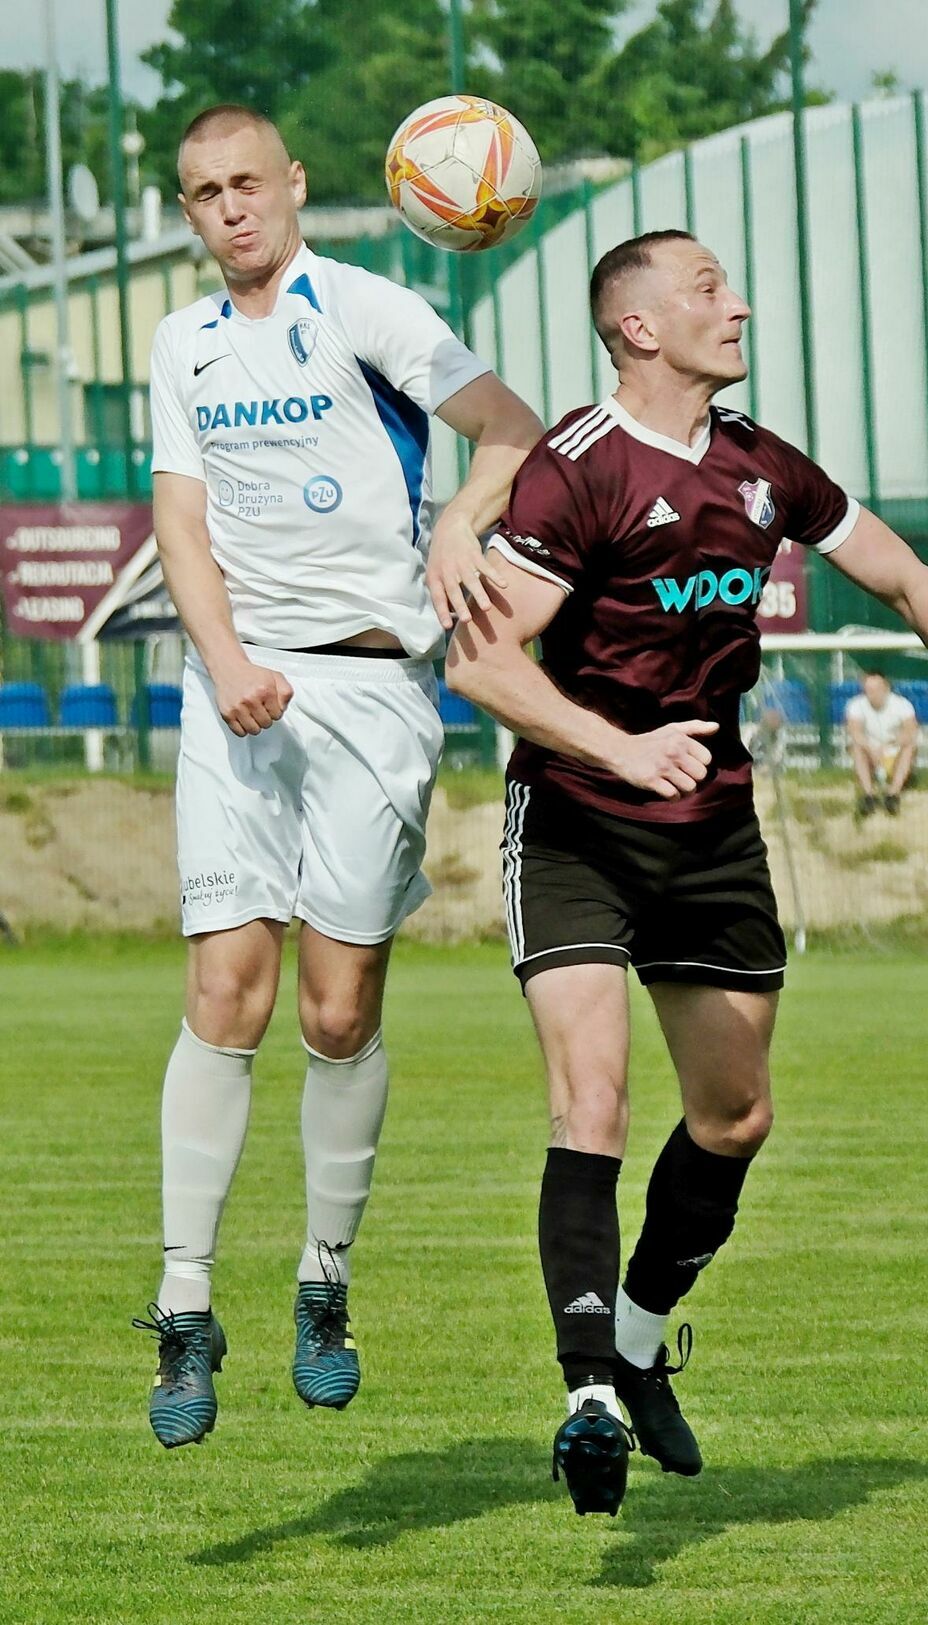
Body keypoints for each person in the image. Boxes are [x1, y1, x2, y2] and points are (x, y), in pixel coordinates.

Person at [443, 229, 928, 1516]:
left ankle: (638, 1335)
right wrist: (621, 750)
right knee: (593, 1100)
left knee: (736, 1117)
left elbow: (906, 578)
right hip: (577, 816)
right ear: (635, 327)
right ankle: (586, 1396)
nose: (736, 307)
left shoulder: (760, 464)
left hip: (711, 826)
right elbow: (481, 665)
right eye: (706, 290)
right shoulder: (576, 468)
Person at [133, 104, 541, 1449]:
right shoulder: (179, 344)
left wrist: (456, 530)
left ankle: (324, 1278)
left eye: (246, 182)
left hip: (373, 689)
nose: (228, 208)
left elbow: (511, 428)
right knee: (221, 989)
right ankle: (185, 1305)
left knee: (339, 1007)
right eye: (202, 193)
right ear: (189, 212)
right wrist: (226, 659)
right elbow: (181, 530)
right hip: (234, 690)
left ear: (294, 185)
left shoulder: (368, 308)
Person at [846, 668, 918, 816]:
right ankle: (869, 795)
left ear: (886, 688)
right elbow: (855, 731)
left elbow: (910, 731)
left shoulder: (902, 704)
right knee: (857, 748)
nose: (871, 694)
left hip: (893, 751)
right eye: (868, 689)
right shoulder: (856, 705)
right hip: (870, 752)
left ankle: (893, 795)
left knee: (909, 747)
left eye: (875, 689)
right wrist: (870, 748)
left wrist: (890, 745)